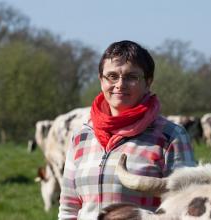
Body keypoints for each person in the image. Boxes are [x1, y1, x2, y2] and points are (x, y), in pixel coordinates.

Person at [58, 40, 196, 220]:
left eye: (131, 77)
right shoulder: (81, 137)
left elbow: (187, 208)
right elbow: (69, 208)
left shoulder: (171, 137)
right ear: (101, 81)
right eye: (112, 76)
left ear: (148, 82)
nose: (120, 84)